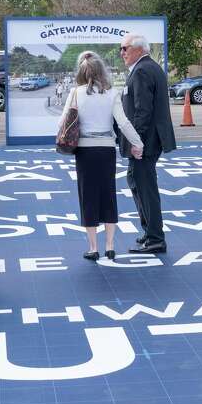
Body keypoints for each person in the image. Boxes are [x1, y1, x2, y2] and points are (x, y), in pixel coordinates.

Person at [61, 52, 144, 260]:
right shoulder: (112, 93)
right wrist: (138, 143)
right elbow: (123, 123)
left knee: (87, 196)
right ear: (102, 71)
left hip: (84, 150)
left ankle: (93, 248)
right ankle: (109, 246)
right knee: (108, 194)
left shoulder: (75, 93)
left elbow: (63, 121)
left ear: (81, 71)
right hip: (107, 149)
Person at [118, 33, 176, 254]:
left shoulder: (142, 70)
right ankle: (149, 232)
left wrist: (136, 141)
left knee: (145, 188)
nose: (122, 53)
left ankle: (155, 238)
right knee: (136, 181)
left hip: (145, 141)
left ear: (139, 49)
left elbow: (143, 110)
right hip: (149, 139)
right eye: (121, 49)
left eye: (125, 48)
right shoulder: (148, 67)